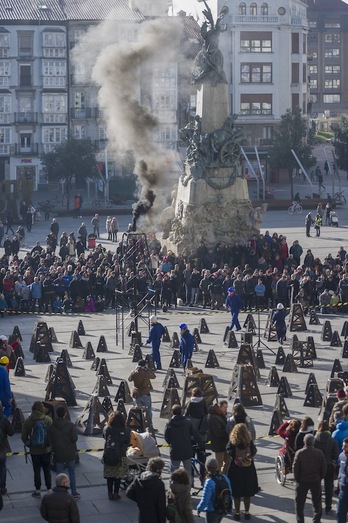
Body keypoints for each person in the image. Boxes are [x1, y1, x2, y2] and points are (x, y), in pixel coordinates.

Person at [226, 423, 259, 521]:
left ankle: (237, 513)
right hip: (248, 468)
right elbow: (254, 451)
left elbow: (229, 450)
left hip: (236, 469)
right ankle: (247, 512)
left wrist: (236, 457)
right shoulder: (248, 441)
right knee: (247, 493)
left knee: (236, 493)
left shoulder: (233, 441)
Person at [164, 404, 203, 484]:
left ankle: (173, 489)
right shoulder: (187, 423)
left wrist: (171, 443)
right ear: (181, 412)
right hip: (186, 450)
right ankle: (187, 489)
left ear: (173, 412)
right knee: (187, 472)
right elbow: (195, 434)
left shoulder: (169, 424)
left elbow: (167, 438)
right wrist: (201, 445)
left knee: (174, 472)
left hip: (175, 451)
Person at [21, 401, 53, 498]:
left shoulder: (29, 421)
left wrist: (29, 444)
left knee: (36, 470)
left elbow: (23, 437)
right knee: (47, 470)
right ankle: (49, 489)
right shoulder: (48, 419)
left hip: (34, 451)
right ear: (42, 409)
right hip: (46, 449)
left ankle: (37, 490)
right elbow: (51, 434)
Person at [293, 433, 326, 523]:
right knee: (317, 502)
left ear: (304, 442)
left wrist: (297, 479)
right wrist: (320, 477)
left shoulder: (299, 453)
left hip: (302, 481)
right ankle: (316, 520)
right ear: (313, 442)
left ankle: (300, 520)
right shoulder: (319, 453)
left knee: (299, 503)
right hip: (315, 480)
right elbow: (323, 468)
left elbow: (295, 468)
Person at [48, 405, 80, 499]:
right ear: (65, 414)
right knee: (72, 473)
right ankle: (74, 492)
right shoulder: (70, 425)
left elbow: (49, 441)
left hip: (58, 453)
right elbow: (74, 438)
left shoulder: (52, 426)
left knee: (59, 474)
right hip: (70, 452)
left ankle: (60, 493)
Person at [126, 456, 166, 523]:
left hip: (142, 514)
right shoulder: (159, 484)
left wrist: (140, 500)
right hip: (154, 516)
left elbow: (129, 493)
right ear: (158, 470)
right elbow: (161, 505)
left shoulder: (138, 479)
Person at [103, 411, 130, 500]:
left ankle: (109, 493)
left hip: (109, 454)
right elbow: (127, 441)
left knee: (109, 476)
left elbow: (104, 436)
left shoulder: (107, 428)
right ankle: (116, 493)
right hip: (120, 455)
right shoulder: (125, 430)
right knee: (118, 476)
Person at [314, 420, 339, 515]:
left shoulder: (315, 439)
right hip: (328, 465)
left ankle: (317, 506)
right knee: (329, 487)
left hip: (317, 465)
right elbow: (336, 455)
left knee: (317, 486)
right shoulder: (332, 440)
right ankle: (328, 507)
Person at [197, 456, 232, 523]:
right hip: (222, 508)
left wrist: (199, 508)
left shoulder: (209, 482)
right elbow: (230, 493)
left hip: (212, 510)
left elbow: (205, 499)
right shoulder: (225, 478)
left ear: (207, 468)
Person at [185, 387, 208, 485]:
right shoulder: (203, 402)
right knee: (202, 459)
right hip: (201, 435)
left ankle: (191, 481)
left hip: (191, 436)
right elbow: (206, 413)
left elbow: (186, 415)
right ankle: (202, 478)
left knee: (190, 459)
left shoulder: (190, 403)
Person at [128, 359, 156, 427]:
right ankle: (149, 425)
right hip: (145, 393)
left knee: (138, 410)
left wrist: (133, 371)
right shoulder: (145, 373)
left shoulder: (134, 372)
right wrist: (148, 369)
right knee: (148, 410)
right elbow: (153, 376)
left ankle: (138, 425)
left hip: (136, 393)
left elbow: (129, 379)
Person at [207, 400, 229, 474]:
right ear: (219, 407)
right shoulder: (214, 418)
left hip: (225, 443)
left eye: (227, 408)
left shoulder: (220, 414)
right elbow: (218, 433)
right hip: (219, 444)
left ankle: (224, 476)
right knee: (219, 464)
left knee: (228, 461)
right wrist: (228, 430)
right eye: (225, 407)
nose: (226, 409)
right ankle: (219, 477)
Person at [0, 399, 14, 494]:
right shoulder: (4, 419)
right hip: (2, 448)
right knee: (2, 467)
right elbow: (11, 433)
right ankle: (3, 487)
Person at [337, 437, 348, 523]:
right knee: (340, 513)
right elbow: (339, 470)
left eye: (345, 446)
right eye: (343, 446)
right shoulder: (341, 456)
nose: (343, 448)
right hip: (343, 491)